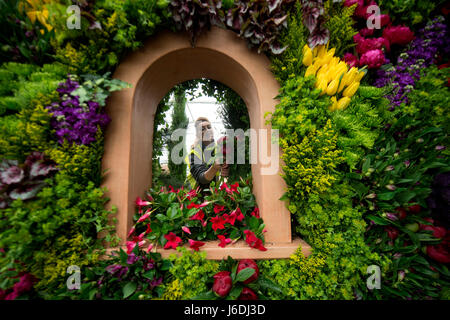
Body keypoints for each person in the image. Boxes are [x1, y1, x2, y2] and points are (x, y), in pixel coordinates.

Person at [184, 117, 229, 194]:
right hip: (194, 197)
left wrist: (226, 171)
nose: (207, 130)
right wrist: (214, 168)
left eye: (209, 127)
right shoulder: (194, 153)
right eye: (203, 129)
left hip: (213, 195)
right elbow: (201, 179)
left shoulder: (219, 149)